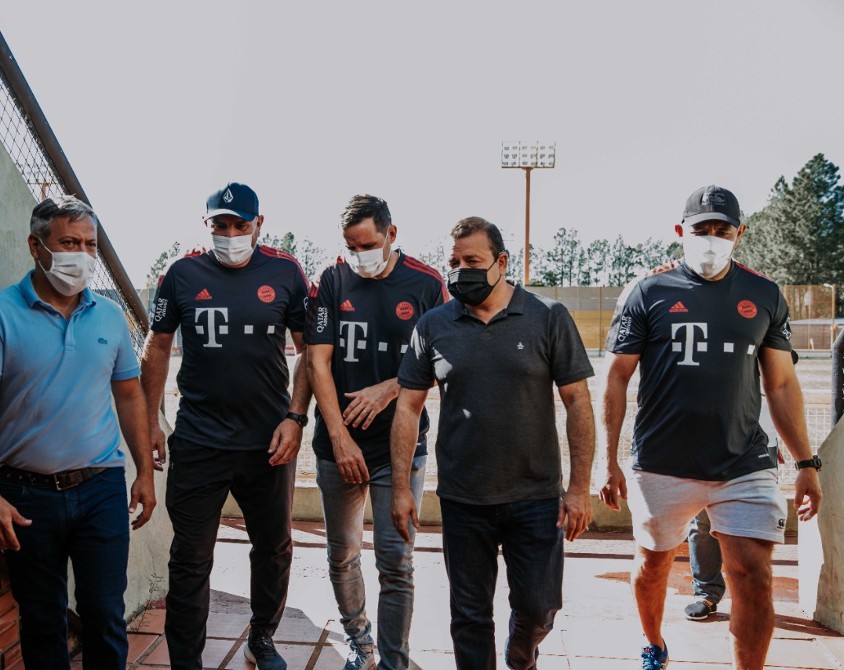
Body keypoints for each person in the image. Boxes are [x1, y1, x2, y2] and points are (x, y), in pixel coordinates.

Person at [599, 185, 823, 670]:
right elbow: (616, 376)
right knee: (653, 565)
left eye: (723, 229)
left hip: (743, 461)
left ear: (741, 234)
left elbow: (781, 384)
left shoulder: (764, 293)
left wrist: (806, 463)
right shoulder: (648, 290)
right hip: (662, 460)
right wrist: (608, 460)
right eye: (702, 228)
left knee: (754, 576)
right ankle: (654, 643)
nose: (712, 238)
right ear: (680, 231)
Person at [0, 195, 157, 669]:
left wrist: (145, 473)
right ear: (36, 246)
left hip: (100, 488)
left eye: (90, 245)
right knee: (42, 618)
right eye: (69, 243)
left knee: (104, 615)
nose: (82, 255)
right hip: (26, 496)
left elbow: (130, 396)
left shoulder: (109, 316)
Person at [390, 217, 595, 670]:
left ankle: (521, 657)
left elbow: (578, 401)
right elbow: (407, 408)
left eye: (473, 261)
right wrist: (402, 488)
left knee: (540, 607)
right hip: (463, 498)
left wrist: (579, 487)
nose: (461, 270)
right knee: (469, 618)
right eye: (454, 261)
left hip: (536, 497)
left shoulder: (547, 316)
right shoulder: (433, 325)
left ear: (501, 263)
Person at [140, 182, 312, 670]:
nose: (231, 234)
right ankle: (186, 661)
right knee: (190, 557)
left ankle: (262, 637)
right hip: (200, 441)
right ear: (206, 224)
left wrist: (295, 418)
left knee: (273, 547)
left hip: (268, 442)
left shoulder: (286, 271)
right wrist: (151, 419)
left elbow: (309, 353)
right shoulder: (181, 273)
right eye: (221, 225)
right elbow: (157, 346)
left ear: (260, 224)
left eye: (241, 225)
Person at [305, 195, 447, 670]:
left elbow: (445, 362)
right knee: (342, 554)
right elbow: (317, 361)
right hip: (339, 446)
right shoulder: (331, 279)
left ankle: (393, 661)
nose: (358, 255)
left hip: (400, 448)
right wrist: (339, 438)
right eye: (350, 246)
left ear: (391, 234)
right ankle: (360, 642)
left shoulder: (426, 284)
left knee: (396, 560)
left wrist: (391, 387)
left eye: (367, 245)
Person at [684, 361, 791, 622]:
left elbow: (780, 391)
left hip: (763, 446)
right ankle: (706, 592)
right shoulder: (714, 347)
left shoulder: (770, 346)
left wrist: (777, 439)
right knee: (702, 521)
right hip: (712, 440)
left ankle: (754, 593)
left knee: (759, 522)